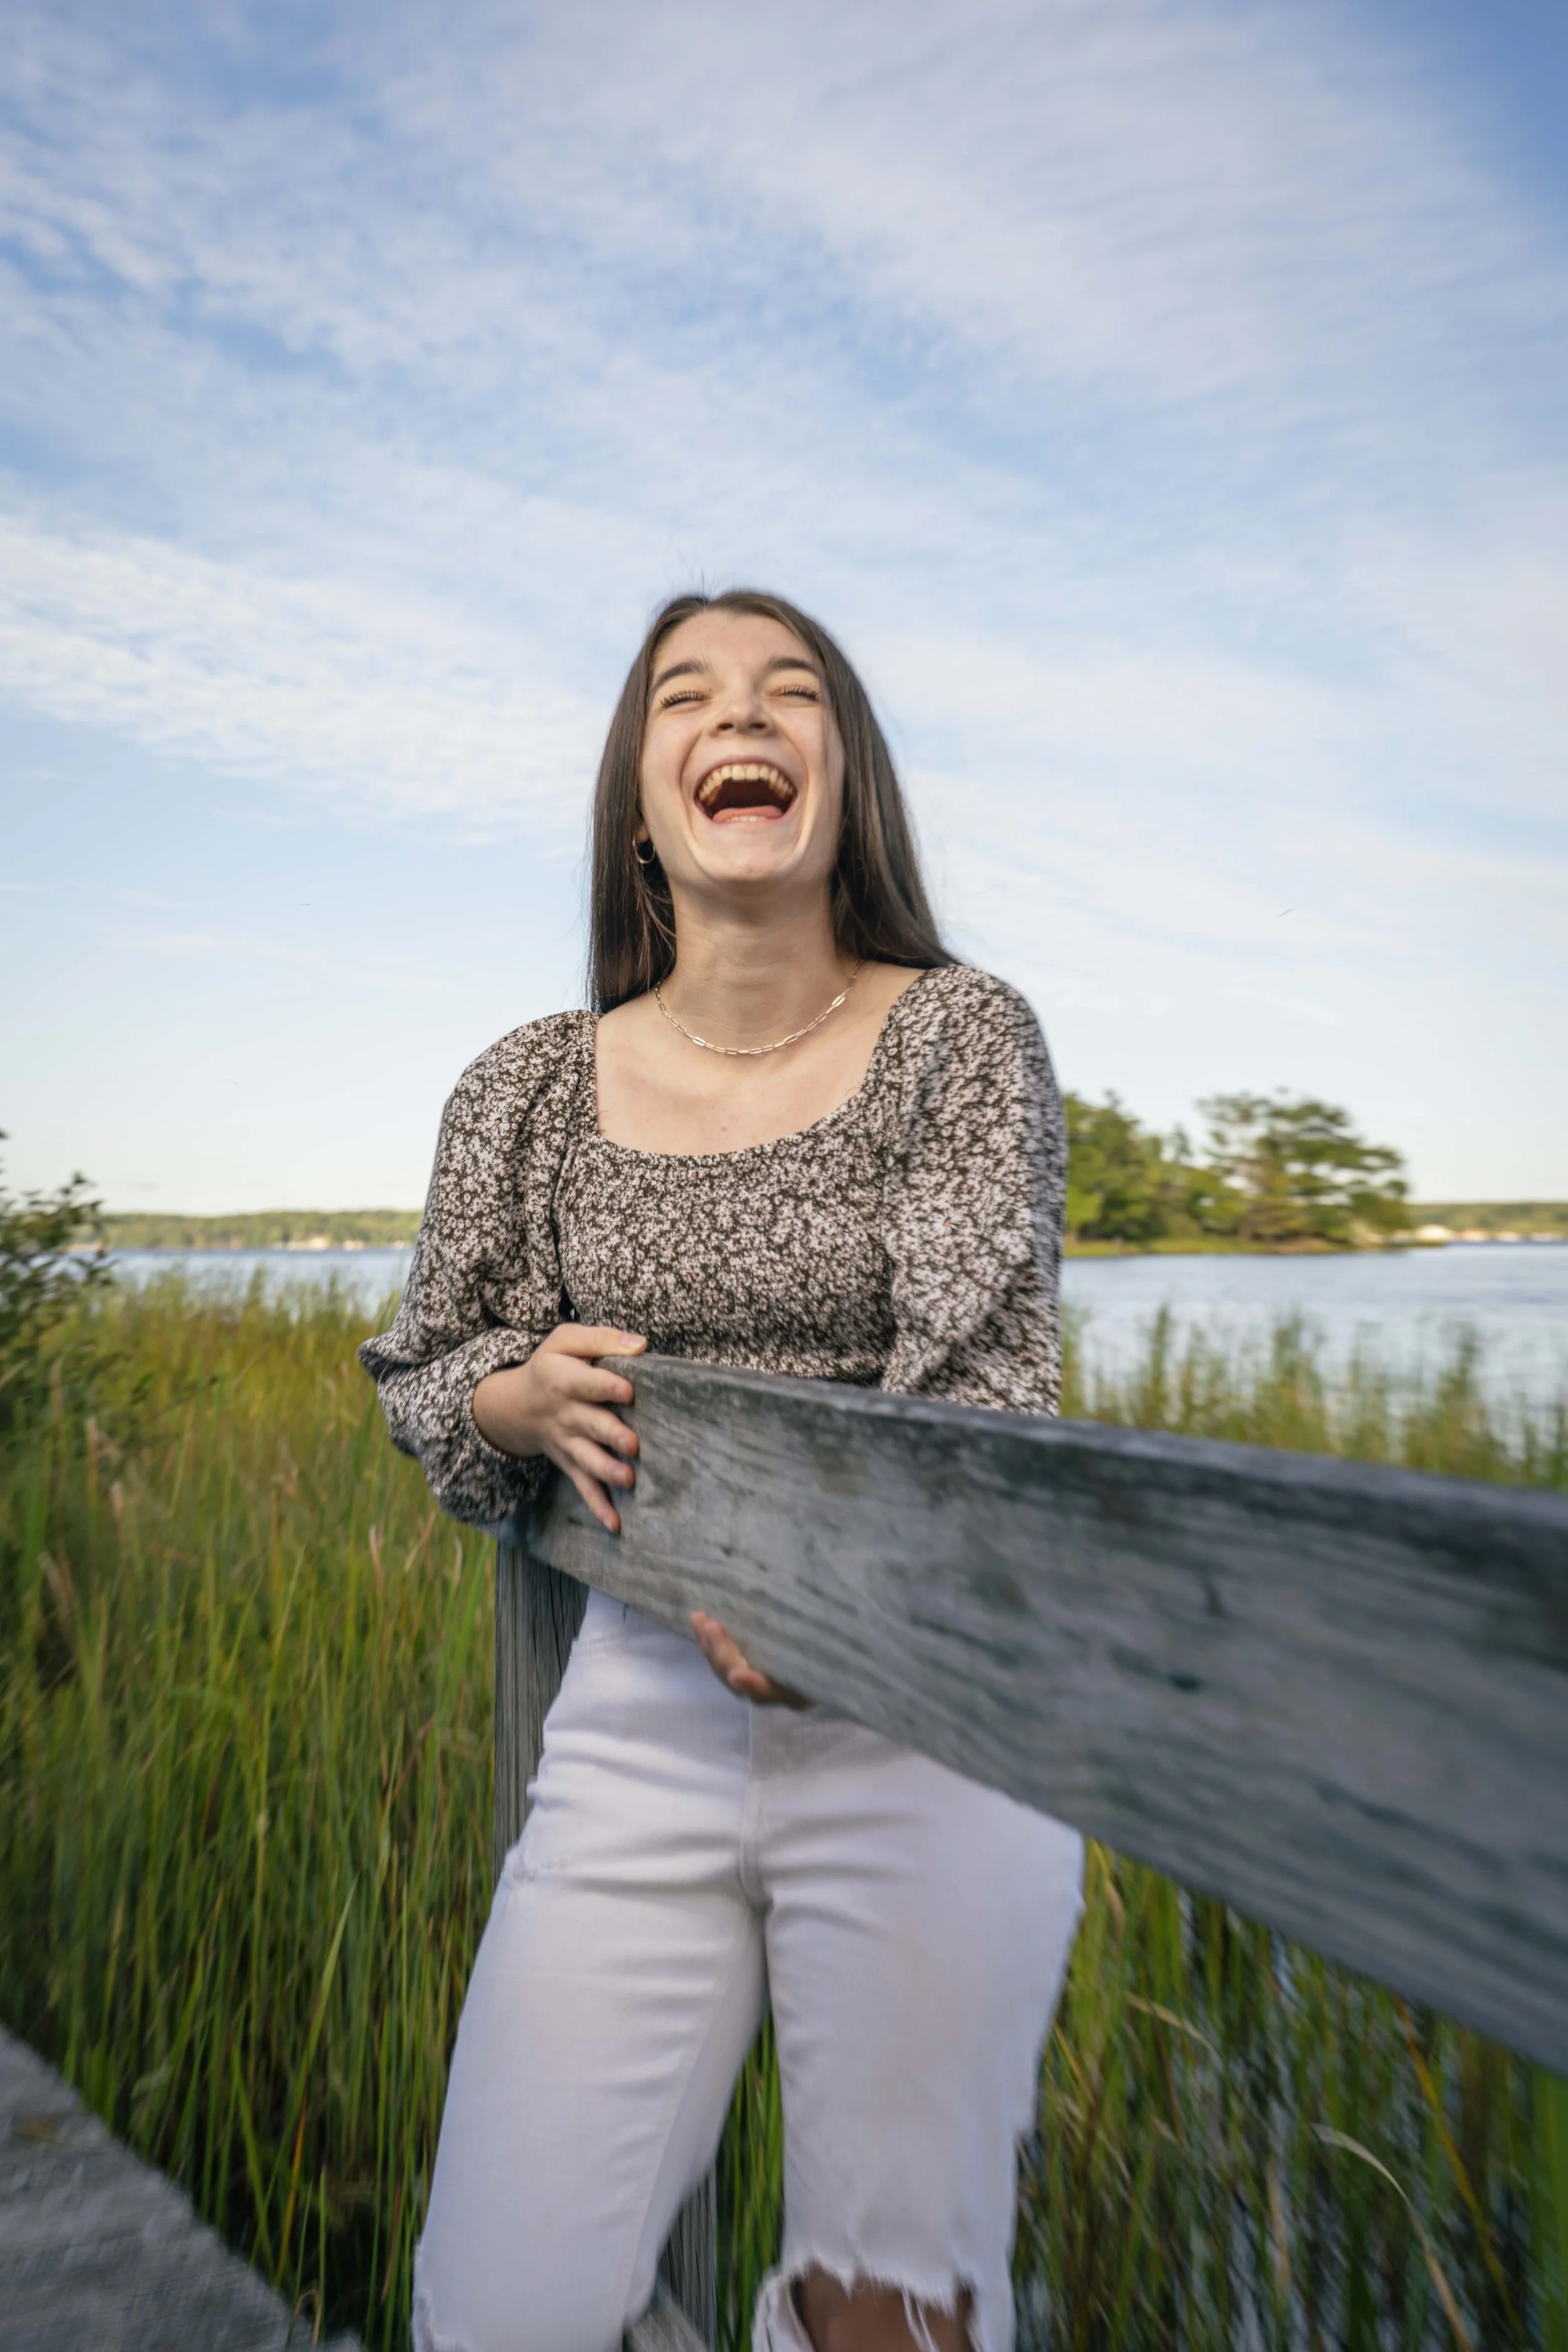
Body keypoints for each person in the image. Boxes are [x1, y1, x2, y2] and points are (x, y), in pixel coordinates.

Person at [360, 589, 1084, 2352]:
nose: (738, 716)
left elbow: (985, 1387)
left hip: (926, 1719)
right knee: (502, 2303)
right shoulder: (525, 1088)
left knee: (884, 2312)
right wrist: (510, 1401)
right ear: (641, 796)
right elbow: (421, 1363)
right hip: (635, 1720)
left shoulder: (959, 1039)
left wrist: (837, 1605)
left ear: (844, 776)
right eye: (686, 694)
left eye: (790, 694)